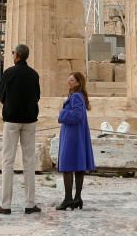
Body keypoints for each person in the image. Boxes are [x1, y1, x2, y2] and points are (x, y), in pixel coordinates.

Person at [0, 44, 41, 215]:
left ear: (17, 55)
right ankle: (30, 203)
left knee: (7, 161)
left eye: (13, 53)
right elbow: (37, 96)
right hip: (29, 121)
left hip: (11, 120)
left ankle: (5, 205)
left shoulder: (8, 73)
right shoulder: (34, 74)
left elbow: (1, 95)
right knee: (29, 161)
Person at [56, 71, 94, 210]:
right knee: (78, 166)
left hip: (72, 135)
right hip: (75, 134)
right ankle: (77, 198)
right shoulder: (77, 96)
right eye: (68, 79)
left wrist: (62, 113)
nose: (69, 82)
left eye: (71, 80)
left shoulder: (76, 96)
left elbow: (77, 115)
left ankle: (68, 199)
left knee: (67, 167)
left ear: (78, 83)